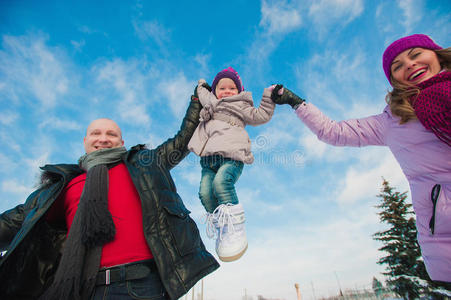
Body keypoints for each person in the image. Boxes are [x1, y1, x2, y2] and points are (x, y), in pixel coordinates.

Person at [271, 34, 451, 285]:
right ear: (394, 81)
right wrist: (296, 102)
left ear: (436, 54)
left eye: (415, 54)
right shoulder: (393, 122)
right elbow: (333, 132)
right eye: (397, 66)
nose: (409, 65)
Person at [0, 94, 219, 299]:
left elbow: (181, 141)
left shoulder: (145, 165)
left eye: (111, 134)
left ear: (121, 143)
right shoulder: (63, 186)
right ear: (85, 141)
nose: (103, 139)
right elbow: (15, 220)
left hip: (143, 285)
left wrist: (197, 101)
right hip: (83, 290)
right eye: (96, 133)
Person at [188, 67, 275, 262]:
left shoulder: (242, 106)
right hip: (208, 160)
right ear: (215, 91)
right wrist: (202, 84)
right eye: (222, 88)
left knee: (221, 184)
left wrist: (269, 96)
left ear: (239, 92)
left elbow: (261, 115)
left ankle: (236, 227)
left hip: (232, 157)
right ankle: (224, 227)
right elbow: (202, 92)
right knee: (204, 192)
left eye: (232, 88)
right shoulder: (211, 102)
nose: (227, 92)